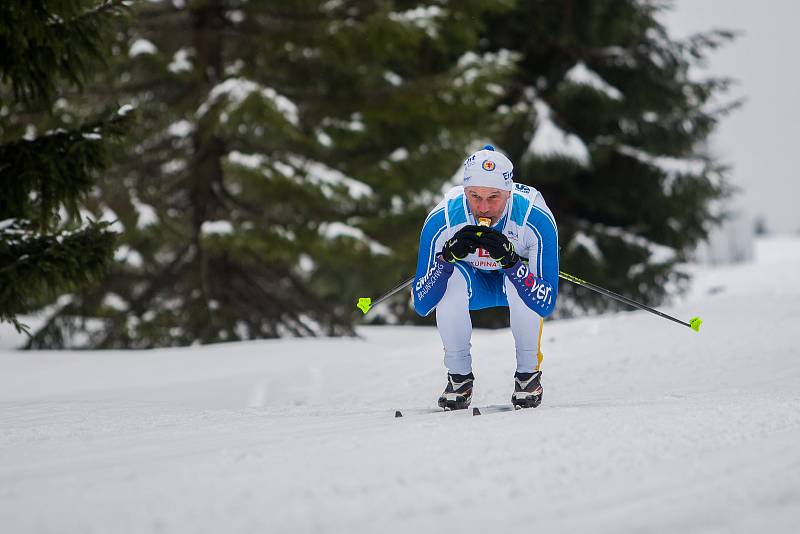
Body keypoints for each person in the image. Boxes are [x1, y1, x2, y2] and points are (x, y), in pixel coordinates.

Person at [412, 145, 559, 410]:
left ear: (508, 192)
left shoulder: (533, 218)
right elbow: (421, 304)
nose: (484, 207)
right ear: (465, 192)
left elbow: (545, 303)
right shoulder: (443, 219)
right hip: (472, 283)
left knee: (520, 281)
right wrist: (445, 260)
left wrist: (512, 263)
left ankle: (528, 376)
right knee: (452, 278)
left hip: (511, 284)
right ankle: (459, 378)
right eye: (474, 196)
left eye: (494, 197)